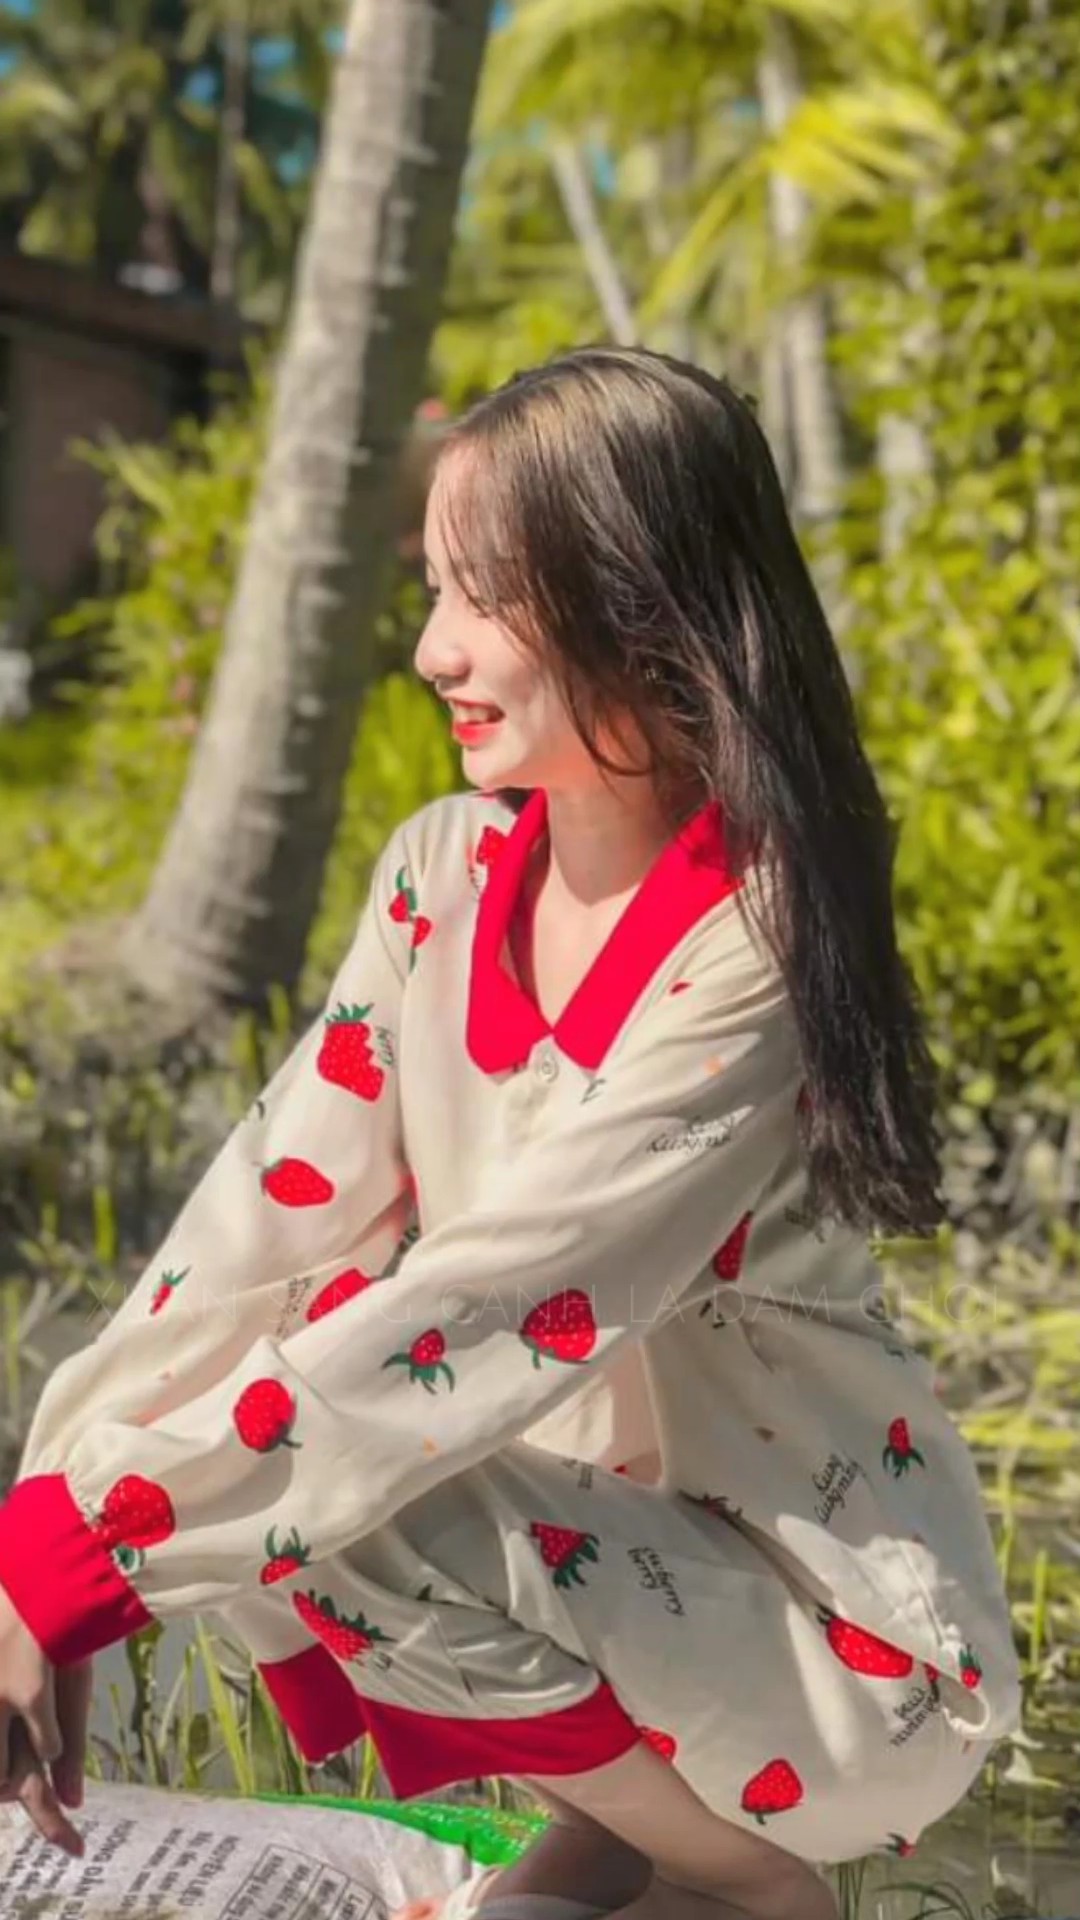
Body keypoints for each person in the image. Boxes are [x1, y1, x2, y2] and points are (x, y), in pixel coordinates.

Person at [0, 346, 1021, 1920]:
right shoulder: (443, 876)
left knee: (359, 1460)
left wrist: (85, 1555)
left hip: (837, 1654)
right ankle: (618, 1839)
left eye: (485, 597)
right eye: (434, 592)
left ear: (639, 599)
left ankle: (750, 1887)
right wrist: (45, 1521)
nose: (432, 650)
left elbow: (493, 1302)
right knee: (293, 1372)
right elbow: (253, 1233)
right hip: (607, 1579)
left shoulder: (753, 936)